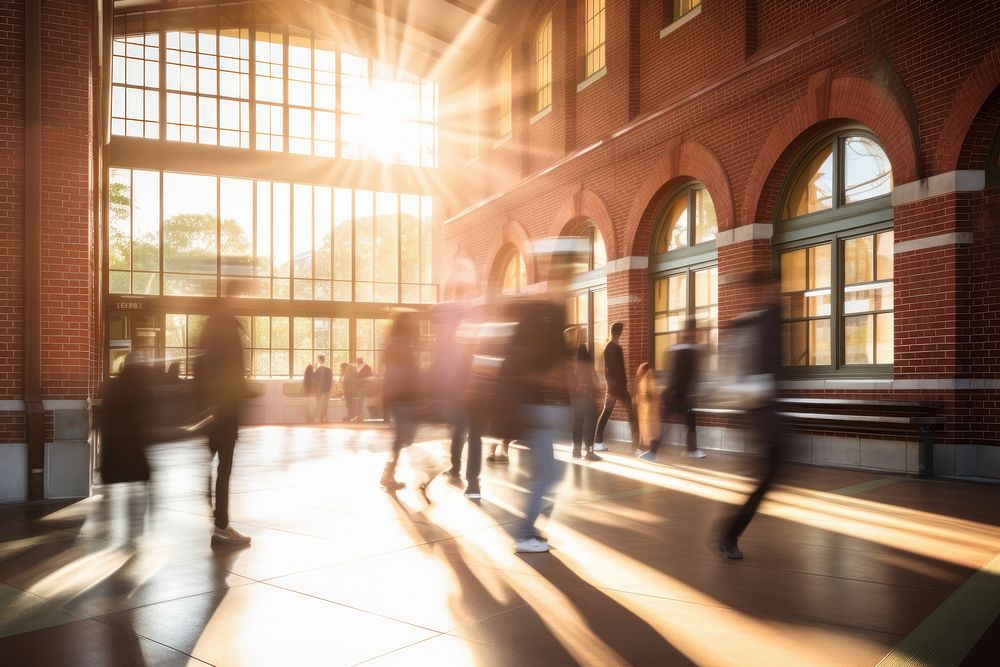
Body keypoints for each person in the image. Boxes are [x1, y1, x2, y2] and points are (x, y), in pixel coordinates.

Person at [717, 269, 783, 560]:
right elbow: (737, 371)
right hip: (761, 410)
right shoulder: (754, 322)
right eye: (774, 284)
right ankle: (728, 535)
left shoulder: (771, 316)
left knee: (768, 475)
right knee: (767, 475)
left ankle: (729, 534)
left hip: (769, 409)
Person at [195, 290, 251, 548]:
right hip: (223, 412)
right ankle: (221, 527)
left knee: (215, 466)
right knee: (224, 468)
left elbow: (202, 369)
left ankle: (219, 521)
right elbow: (230, 373)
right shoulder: (226, 328)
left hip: (213, 411)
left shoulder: (213, 326)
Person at [641, 319, 704, 461]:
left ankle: (654, 452)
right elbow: (685, 374)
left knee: (682, 423)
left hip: (676, 393)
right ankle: (655, 452)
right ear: (692, 331)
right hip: (680, 395)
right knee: (685, 423)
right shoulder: (689, 350)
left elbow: (677, 373)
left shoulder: (680, 348)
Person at [380, 312, 421, 493]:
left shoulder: (392, 344)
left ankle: (388, 474)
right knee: (404, 437)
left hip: (395, 397)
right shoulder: (402, 345)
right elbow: (408, 373)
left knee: (401, 437)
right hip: (403, 397)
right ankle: (388, 474)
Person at [594, 322, 638, 451]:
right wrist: (622, 386)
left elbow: (608, 370)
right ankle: (637, 445)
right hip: (618, 388)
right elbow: (617, 370)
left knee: (606, 413)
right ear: (620, 333)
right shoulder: (615, 348)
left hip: (613, 387)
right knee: (631, 413)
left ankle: (597, 441)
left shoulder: (609, 348)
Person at [569, 332, 601, 462]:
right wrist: (594, 385)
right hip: (585, 392)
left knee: (578, 421)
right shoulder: (582, 352)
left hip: (576, 394)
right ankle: (588, 450)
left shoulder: (571, 353)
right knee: (591, 420)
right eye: (581, 335)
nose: (584, 337)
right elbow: (589, 371)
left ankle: (576, 450)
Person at [634, 362, 662, 457]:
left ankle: (644, 449)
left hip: (646, 412)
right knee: (649, 432)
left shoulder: (644, 382)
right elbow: (654, 396)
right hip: (649, 412)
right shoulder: (649, 381)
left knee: (647, 431)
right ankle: (644, 448)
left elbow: (645, 396)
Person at [314, 355, 332, 423]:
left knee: (320, 404)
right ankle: (324, 418)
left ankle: (321, 418)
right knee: (325, 404)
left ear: (319, 360)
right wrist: (328, 389)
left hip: (320, 390)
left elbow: (314, 379)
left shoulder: (318, 369)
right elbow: (330, 381)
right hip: (327, 390)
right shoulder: (329, 369)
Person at [354, 357, 373, 422]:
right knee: (359, 402)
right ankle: (359, 416)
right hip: (362, 388)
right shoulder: (364, 367)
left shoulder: (365, 367)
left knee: (359, 402)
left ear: (358, 362)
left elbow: (367, 378)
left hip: (363, 388)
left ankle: (359, 416)